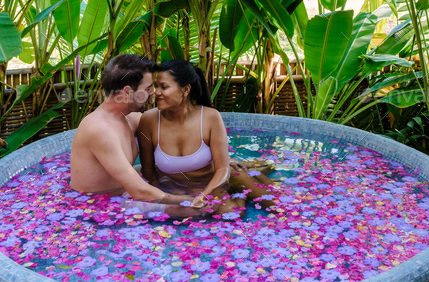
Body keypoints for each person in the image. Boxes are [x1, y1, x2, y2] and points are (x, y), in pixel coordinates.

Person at [137, 58, 275, 215]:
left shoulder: (210, 117)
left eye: (163, 87)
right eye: (156, 86)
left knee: (267, 208)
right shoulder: (149, 120)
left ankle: (239, 189)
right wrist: (168, 196)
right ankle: (241, 185)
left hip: (218, 181)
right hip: (178, 185)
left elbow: (222, 169)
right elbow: (148, 171)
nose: (157, 92)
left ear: (186, 89)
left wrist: (203, 195)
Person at [70, 54, 197, 218]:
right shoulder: (99, 129)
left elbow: (178, 131)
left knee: (179, 169)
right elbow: (139, 191)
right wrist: (187, 200)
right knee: (192, 209)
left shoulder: (129, 118)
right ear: (128, 92)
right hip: (96, 205)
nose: (153, 93)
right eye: (148, 88)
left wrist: (221, 161)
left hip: (122, 191)